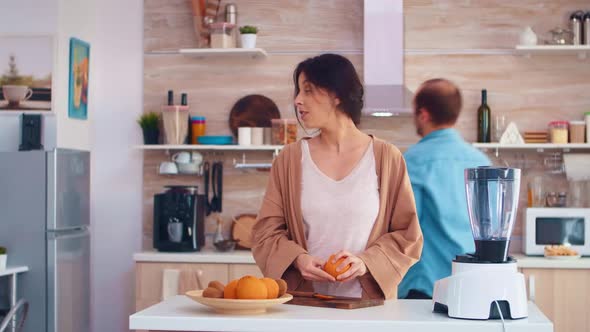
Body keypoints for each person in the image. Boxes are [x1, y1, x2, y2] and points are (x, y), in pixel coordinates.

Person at [251, 53, 423, 299]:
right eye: (298, 91)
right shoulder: (289, 160)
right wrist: (298, 259)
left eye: (308, 91)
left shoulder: (387, 158)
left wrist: (366, 263)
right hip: (303, 308)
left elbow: (407, 235)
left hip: (369, 310)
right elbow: (265, 233)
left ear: (338, 94)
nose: (298, 100)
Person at [398, 78, 491, 299]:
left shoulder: (413, 161)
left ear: (424, 114)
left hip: (426, 286)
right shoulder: (481, 162)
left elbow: (405, 227)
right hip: (472, 284)